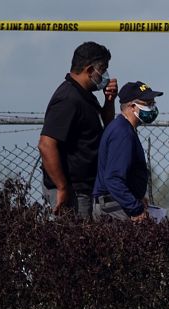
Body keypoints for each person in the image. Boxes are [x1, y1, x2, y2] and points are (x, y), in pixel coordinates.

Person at [38, 41, 118, 218]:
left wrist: (110, 101)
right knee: (72, 241)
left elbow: (105, 124)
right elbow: (46, 144)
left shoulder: (86, 96)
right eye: (102, 69)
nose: (105, 75)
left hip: (87, 189)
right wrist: (62, 187)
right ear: (89, 70)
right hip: (73, 192)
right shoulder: (68, 99)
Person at [92, 81, 163, 221]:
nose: (152, 108)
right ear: (132, 107)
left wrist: (136, 197)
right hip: (113, 207)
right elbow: (113, 178)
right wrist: (134, 208)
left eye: (153, 103)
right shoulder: (122, 133)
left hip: (116, 203)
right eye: (148, 103)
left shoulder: (124, 128)